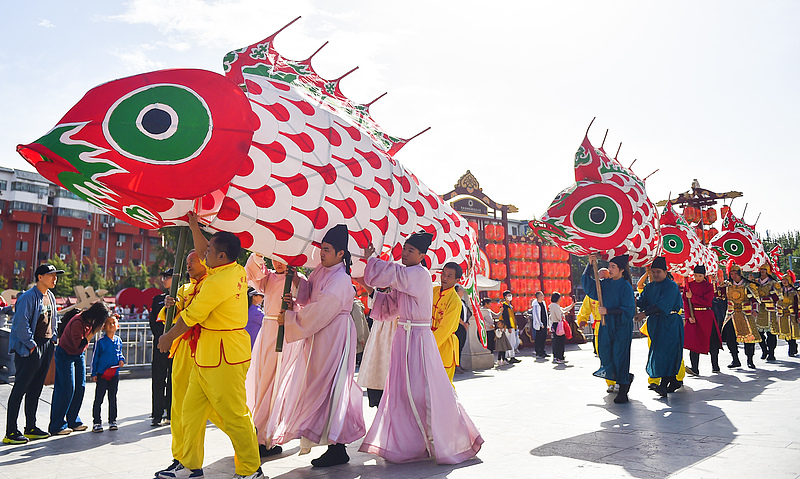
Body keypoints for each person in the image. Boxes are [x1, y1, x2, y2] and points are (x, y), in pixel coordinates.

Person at [358, 232, 483, 464]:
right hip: (403, 339)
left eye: (411, 251)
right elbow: (391, 306)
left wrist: (373, 260)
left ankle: (448, 437)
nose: (405, 253)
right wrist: (370, 291)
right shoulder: (407, 276)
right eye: (404, 249)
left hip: (418, 339)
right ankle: (411, 443)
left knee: (423, 392)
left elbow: (391, 274)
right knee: (401, 391)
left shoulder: (418, 274)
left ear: (422, 256)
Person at [156, 227, 263, 479]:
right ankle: (189, 465)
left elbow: (190, 317)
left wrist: (167, 338)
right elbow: (206, 248)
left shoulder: (216, 282)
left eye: (209, 251)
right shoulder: (233, 269)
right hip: (206, 355)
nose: (204, 253)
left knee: (235, 415)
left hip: (225, 356)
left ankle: (250, 470)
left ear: (221, 256)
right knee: (190, 412)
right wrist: (194, 225)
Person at [265, 224, 365, 468]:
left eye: (327, 249)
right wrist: (296, 283)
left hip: (335, 335)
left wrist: (291, 318)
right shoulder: (322, 270)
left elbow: (321, 309)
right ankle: (332, 442)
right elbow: (310, 293)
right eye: (322, 248)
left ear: (341, 253)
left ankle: (338, 447)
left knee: (333, 387)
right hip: (320, 335)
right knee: (317, 384)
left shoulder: (341, 279)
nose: (322, 253)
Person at [244, 253, 302, 457]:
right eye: (274, 258)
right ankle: (257, 434)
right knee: (261, 382)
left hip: (284, 335)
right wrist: (259, 253)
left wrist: (292, 305)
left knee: (273, 384)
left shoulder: (297, 279)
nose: (278, 263)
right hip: (266, 333)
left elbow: (305, 302)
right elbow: (250, 271)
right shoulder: (267, 278)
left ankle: (262, 437)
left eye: (282, 259)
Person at [4, 264, 64, 444]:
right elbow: (20, 324)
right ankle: (11, 432)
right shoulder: (28, 297)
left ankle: (31, 427)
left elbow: (53, 320)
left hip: (46, 345)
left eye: (56, 275)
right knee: (20, 388)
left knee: (36, 388)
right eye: (51, 275)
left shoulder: (50, 296)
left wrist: (53, 339)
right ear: (40, 277)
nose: (55, 278)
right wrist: (31, 346)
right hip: (30, 346)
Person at [49, 301, 110, 435]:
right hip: (65, 354)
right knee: (66, 388)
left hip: (78, 354)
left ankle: (73, 420)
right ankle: (57, 424)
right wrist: (94, 331)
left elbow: (79, 348)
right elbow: (79, 344)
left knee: (80, 387)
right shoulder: (78, 322)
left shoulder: (89, 321)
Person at [582, 254, 636, 404]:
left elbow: (628, 310)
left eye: (613, 267)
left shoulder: (625, 286)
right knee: (605, 354)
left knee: (620, 356)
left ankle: (623, 387)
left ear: (621, 270)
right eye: (610, 266)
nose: (610, 269)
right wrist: (589, 264)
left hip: (621, 326)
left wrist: (609, 311)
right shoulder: (605, 284)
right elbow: (590, 286)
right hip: (606, 326)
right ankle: (623, 377)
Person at [635, 257, 684, 398]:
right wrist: (632, 300)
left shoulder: (671, 286)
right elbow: (642, 302)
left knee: (668, 353)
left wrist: (644, 313)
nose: (655, 274)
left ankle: (663, 385)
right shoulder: (649, 287)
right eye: (653, 272)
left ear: (665, 272)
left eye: (658, 272)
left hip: (670, 323)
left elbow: (663, 305)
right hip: (656, 324)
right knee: (659, 353)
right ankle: (673, 381)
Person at [721, 261, 761, 369]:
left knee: (749, 338)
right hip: (731, 314)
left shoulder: (748, 285)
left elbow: (755, 299)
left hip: (745, 314)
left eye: (735, 273)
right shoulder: (727, 284)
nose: (733, 276)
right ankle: (735, 359)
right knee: (730, 337)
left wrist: (755, 310)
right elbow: (720, 295)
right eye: (731, 273)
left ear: (740, 273)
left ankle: (750, 360)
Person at [683, 265, 722, 375]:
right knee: (693, 342)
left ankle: (715, 365)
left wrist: (693, 297)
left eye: (700, 276)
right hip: (693, 316)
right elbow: (685, 302)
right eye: (695, 275)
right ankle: (694, 368)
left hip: (706, 316)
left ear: (704, 276)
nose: (697, 278)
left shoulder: (708, 286)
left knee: (712, 341)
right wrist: (688, 316)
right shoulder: (689, 286)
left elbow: (707, 302)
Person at [90, 314, 125, 432]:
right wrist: (94, 373)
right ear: (104, 327)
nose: (111, 325)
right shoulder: (100, 342)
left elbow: (119, 353)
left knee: (112, 397)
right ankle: (96, 422)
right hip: (102, 374)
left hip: (114, 373)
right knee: (99, 398)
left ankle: (112, 420)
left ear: (117, 326)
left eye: (113, 323)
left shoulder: (118, 340)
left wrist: (122, 359)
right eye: (109, 323)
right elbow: (95, 358)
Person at [431, 262, 464, 384]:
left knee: (444, 385)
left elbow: (446, 328)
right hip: (428, 339)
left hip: (445, 345)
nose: (444, 278)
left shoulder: (455, 301)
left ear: (457, 280)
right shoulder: (433, 291)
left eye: (449, 276)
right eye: (443, 274)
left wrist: (428, 344)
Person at [149, 268, 173, 427]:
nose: (163, 280)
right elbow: (153, 322)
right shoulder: (158, 299)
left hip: (176, 345)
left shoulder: (183, 298)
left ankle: (171, 413)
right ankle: (157, 414)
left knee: (173, 379)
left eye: (167, 277)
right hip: (159, 344)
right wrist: (161, 337)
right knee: (158, 379)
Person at [752, 263, 782, 361]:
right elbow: (752, 295)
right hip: (759, 310)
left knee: (771, 333)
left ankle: (771, 353)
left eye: (764, 269)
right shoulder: (756, 282)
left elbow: (778, 296)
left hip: (770, 310)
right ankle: (764, 349)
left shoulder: (773, 283)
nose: (762, 271)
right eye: (761, 269)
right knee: (759, 332)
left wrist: (766, 299)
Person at [577, 268, 609, 355]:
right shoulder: (591, 294)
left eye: (606, 278)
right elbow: (585, 308)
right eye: (601, 279)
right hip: (599, 326)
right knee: (601, 352)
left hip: (611, 324)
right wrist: (582, 319)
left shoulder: (613, 291)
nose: (603, 281)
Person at [777, 271, 799, 356]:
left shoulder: (794, 292)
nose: (784, 281)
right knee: (785, 332)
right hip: (782, 315)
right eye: (783, 280)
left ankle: (792, 348)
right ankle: (792, 345)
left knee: (792, 332)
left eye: (786, 280)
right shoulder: (780, 291)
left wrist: (797, 315)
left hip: (792, 315)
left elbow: (797, 304)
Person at [549, 292, 571, 364]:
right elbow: (560, 316)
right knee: (560, 341)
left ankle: (557, 357)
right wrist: (564, 314)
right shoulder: (555, 306)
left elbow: (563, 310)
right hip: (558, 324)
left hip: (555, 325)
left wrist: (572, 305)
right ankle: (559, 357)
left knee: (556, 341)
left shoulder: (553, 305)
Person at [454, 284, 472, 373]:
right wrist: (462, 323)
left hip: (463, 327)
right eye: (460, 290)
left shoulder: (463, 302)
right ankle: (455, 366)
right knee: (456, 347)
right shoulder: (454, 302)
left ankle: (459, 364)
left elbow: (468, 313)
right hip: (457, 327)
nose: (462, 291)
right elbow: (455, 315)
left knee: (461, 346)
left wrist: (467, 322)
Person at [500, 290, 520, 363]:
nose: (510, 297)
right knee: (508, 342)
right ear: (505, 297)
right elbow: (505, 317)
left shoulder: (510, 306)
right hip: (508, 327)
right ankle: (506, 357)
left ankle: (512, 356)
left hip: (512, 326)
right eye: (508, 295)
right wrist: (508, 326)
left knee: (513, 342)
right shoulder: (504, 305)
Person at [530, 291, 549, 358]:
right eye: (542, 295)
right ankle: (538, 352)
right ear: (538, 296)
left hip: (545, 323)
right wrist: (540, 324)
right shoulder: (535, 304)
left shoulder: (543, 303)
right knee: (539, 338)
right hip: (539, 325)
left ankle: (543, 351)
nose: (543, 296)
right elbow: (536, 315)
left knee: (543, 338)